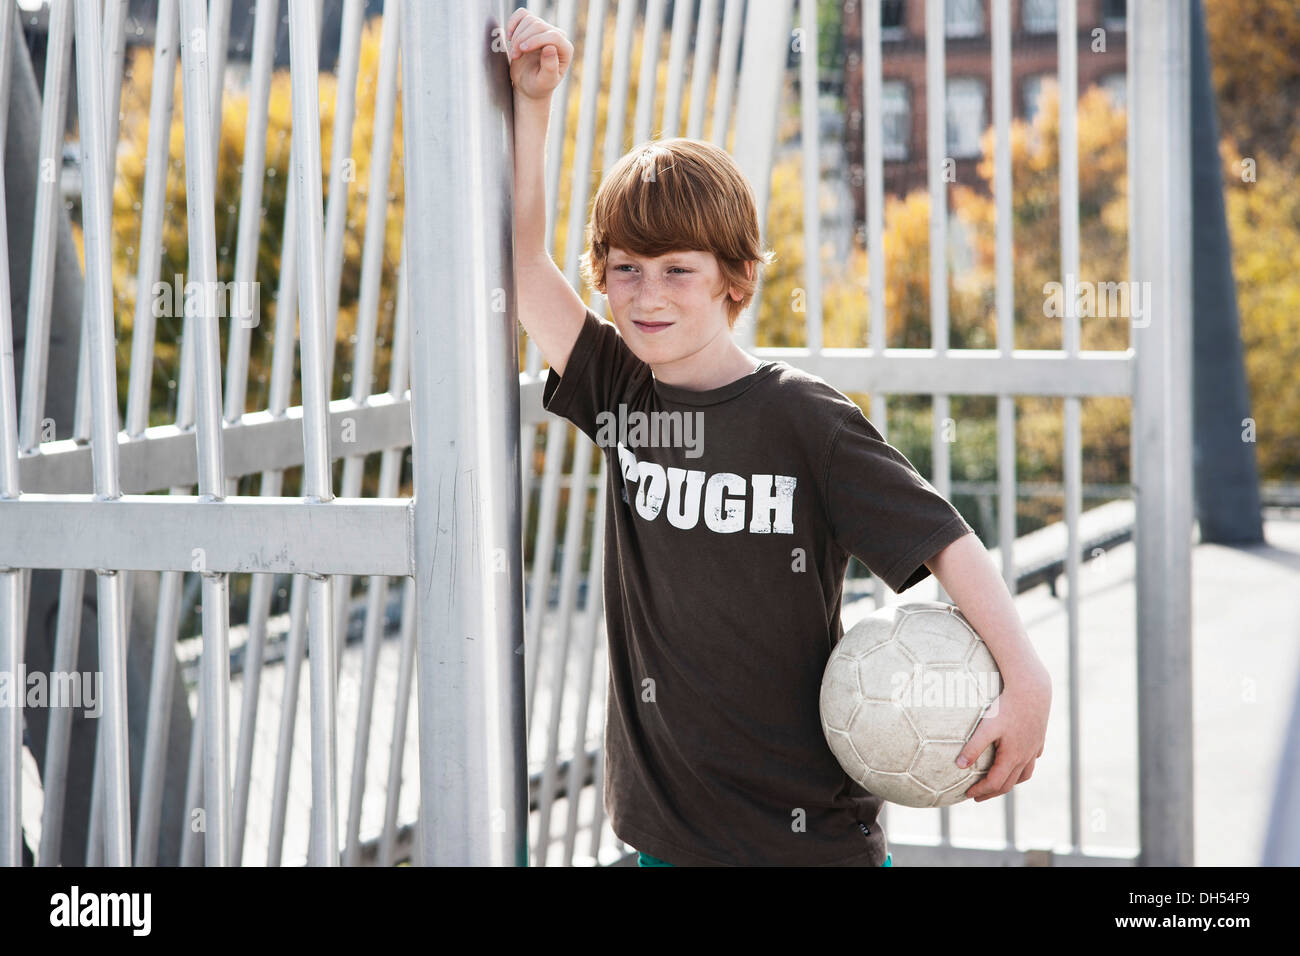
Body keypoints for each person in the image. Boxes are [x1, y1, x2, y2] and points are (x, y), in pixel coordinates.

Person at [506, 9, 1051, 867]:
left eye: (678, 269)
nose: (647, 295)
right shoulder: (618, 387)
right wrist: (534, 104)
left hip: (810, 842)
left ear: (736, 277)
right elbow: (522, 261)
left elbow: (945, 540)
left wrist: (1028, 680)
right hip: (666, 837)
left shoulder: (806, 419)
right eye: (625, 270)